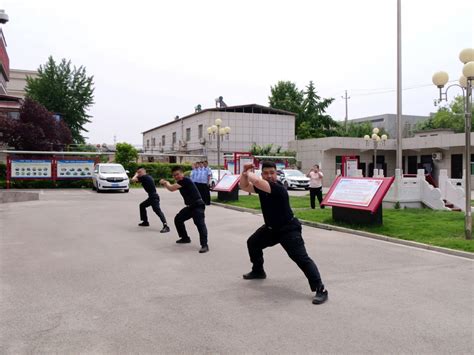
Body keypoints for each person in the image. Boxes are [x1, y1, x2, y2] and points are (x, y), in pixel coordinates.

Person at [239, 161, 328, 304]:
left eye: (272, 173)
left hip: (288, 229)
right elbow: (244, 186)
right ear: (262, 174)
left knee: (301, 259)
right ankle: (258, 271)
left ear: (277, 174)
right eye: (266, 173)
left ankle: (321, 289)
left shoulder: (278, 188)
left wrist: (247, 172)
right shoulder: (263, 188)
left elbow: (255, 180)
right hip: (271, 229)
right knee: (253, 243)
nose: (269, 176)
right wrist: (244, 174)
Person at [159, 166, 209, 253]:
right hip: (190, 207)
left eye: (177, 174)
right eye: (174, 175)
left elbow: (171, 188)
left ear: (182, 173)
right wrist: (166, 184)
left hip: (198, 206)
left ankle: (204, 245)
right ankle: (185, 238)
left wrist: (165, 182)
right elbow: (172, 188)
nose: (176, 176)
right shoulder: (181, 182)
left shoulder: (185, 180)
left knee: (200, 224)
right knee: (178, 219)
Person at [131, 168, 170, 233]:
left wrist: (135, 174)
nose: (139, 173)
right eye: (138, 172)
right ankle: (145, 222)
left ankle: (166, 226)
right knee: (142, 205)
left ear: (144, 172)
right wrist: (138, 175)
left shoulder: (144, 177)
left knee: (157, 211)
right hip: (152, 197)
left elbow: (132, 180)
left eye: (140, 172)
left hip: (153, 197)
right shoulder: (147, 177)